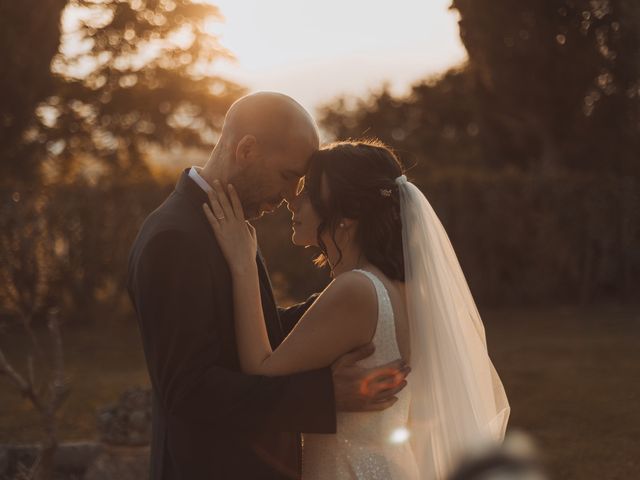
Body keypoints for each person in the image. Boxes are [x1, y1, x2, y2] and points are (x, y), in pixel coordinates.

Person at [126, 92, 410, 480]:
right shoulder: (176, 238)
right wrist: (324, 395)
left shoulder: (225, 223)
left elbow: (234, 328)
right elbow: (189, 390)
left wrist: (349, 308)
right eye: (289, 175)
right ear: (246, 150)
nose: (292, 196)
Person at [203, 139, 510, 479]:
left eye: (308, 192)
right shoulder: (398, 287)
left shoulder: (357, 290)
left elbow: (261, 373)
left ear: (346, 215)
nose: (294, 201)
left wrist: (242, 264)